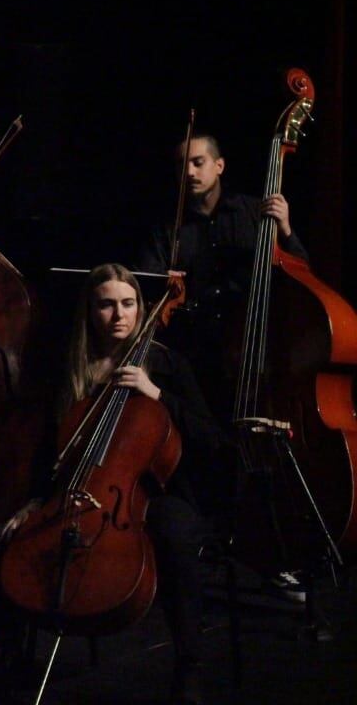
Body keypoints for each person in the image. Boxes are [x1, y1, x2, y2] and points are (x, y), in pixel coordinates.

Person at [0, 264, 224, 704]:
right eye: (106, 304)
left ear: (141, 308)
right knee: (17, 537)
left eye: (128, 303)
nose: (118, 314)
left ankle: (188, 664)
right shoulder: (75, 367)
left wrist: (157, 394)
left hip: (157, 492)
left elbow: (212, 440)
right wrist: (34, 503)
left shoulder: (164, 362)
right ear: (90, 310)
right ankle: (11, 657)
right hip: (85, 489)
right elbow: (51, 449)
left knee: (176, 535)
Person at [136, 132, 308, 602]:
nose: (189, 173)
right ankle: (201, 546)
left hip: (255, 355)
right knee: (199, 449)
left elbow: (300, 274)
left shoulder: (255, 214)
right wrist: (164, 288)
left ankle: (271, 552)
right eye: (181, 165)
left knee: (259, 454)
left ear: (219, 166)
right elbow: (148, 290)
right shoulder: (167, 227)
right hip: (192, 358)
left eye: (197, 163)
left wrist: (287, 230)